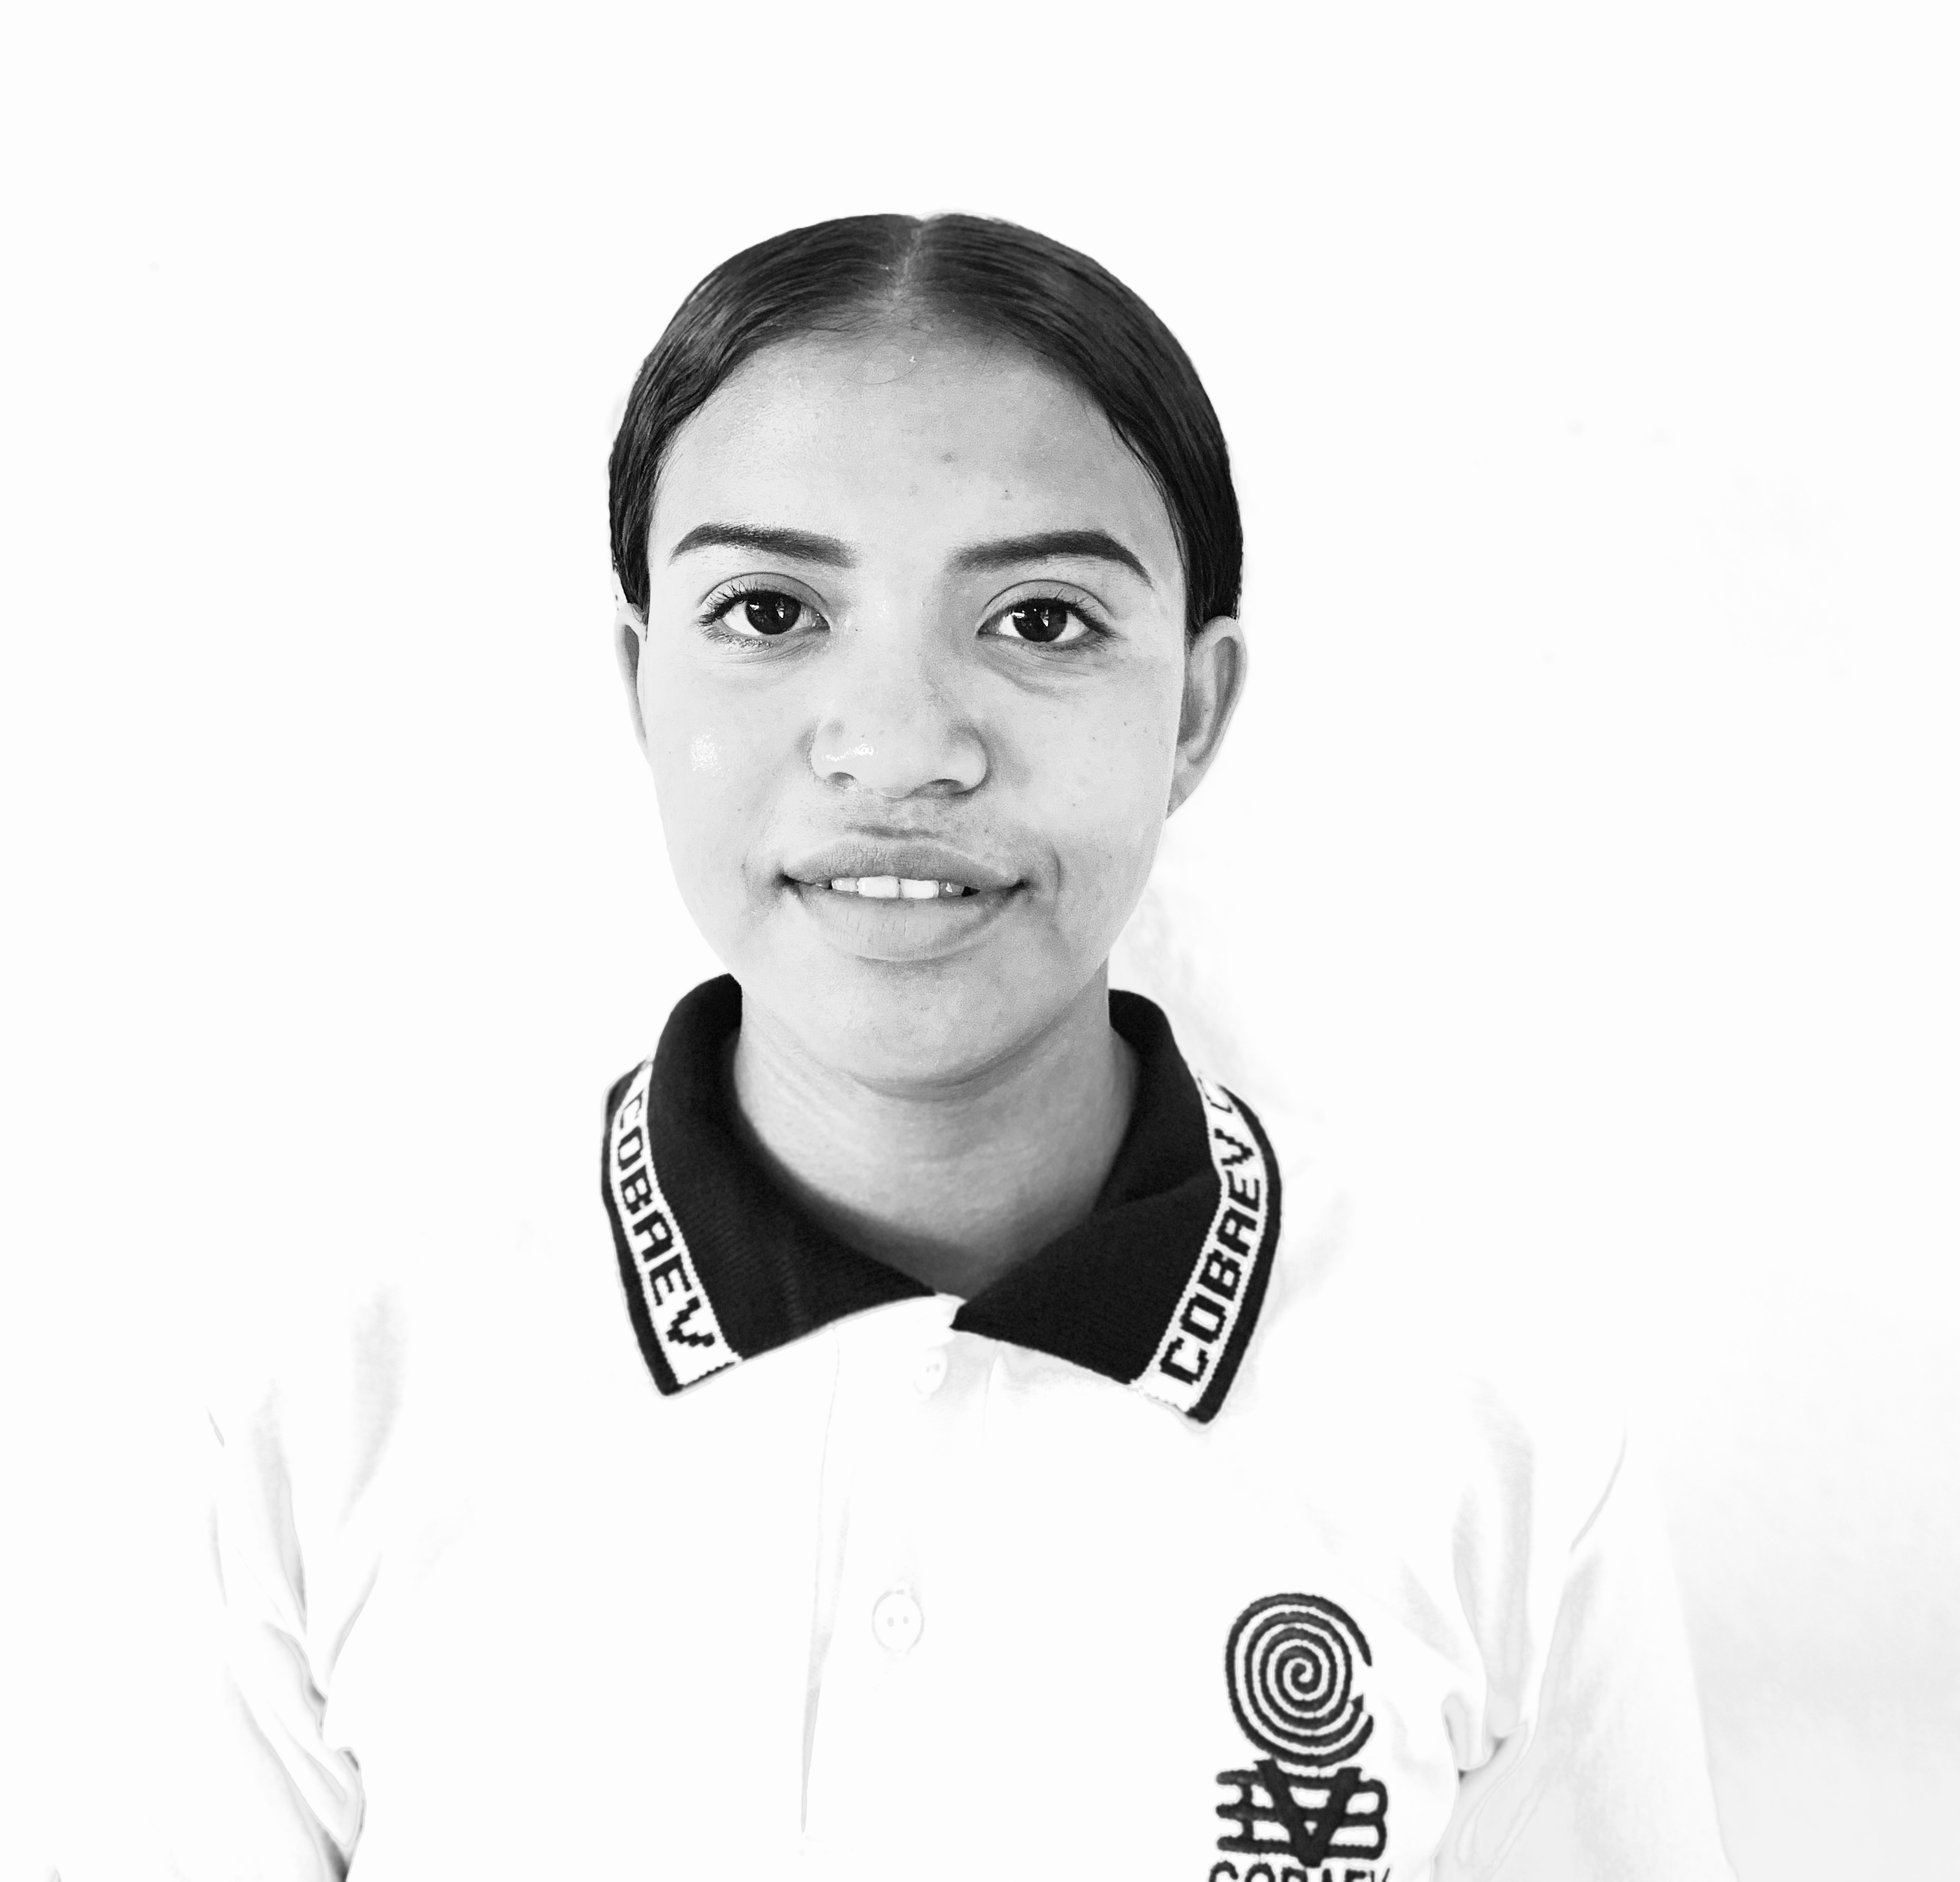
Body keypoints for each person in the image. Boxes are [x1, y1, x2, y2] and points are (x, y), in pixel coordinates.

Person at [78, 212, 1736, 1879]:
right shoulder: (314, 1407)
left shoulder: (1492, 1434)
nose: (898, 745)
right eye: (768, 608)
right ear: (642, 683)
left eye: (1042, 622)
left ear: (1194, 708)